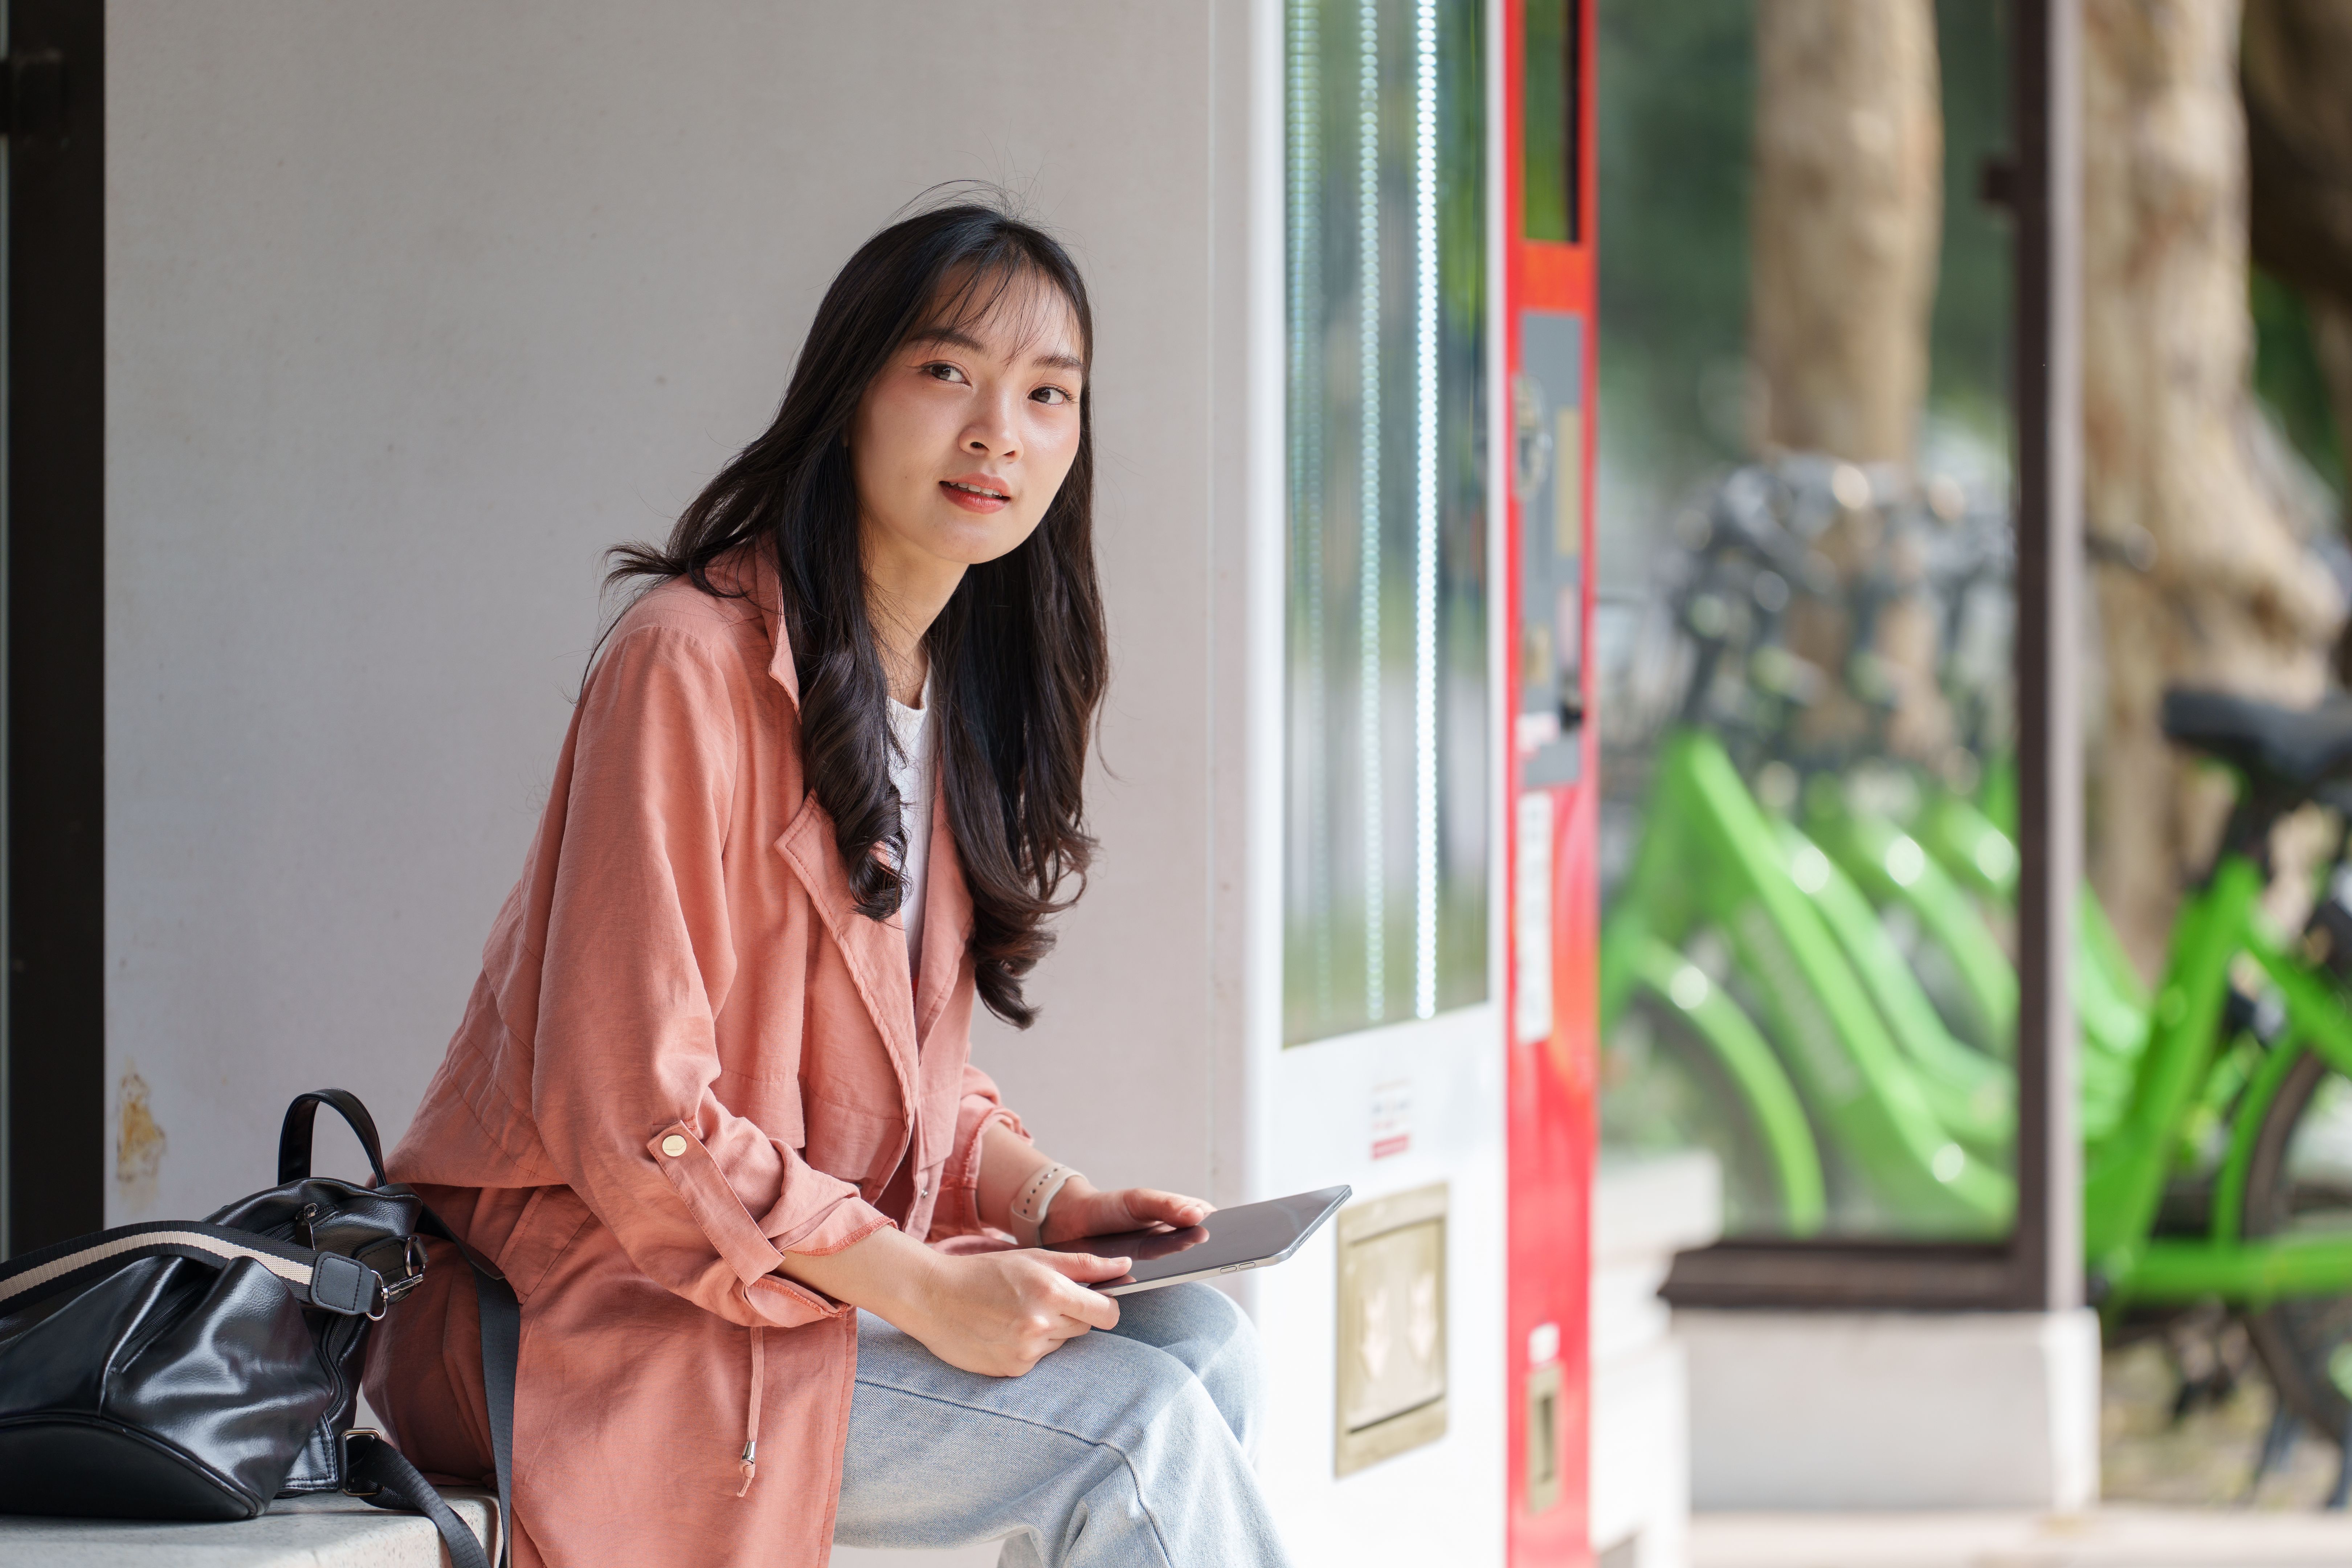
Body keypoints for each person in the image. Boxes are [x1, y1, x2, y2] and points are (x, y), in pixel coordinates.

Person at [364, 201, 1295, 1568]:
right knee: (1137, 1433)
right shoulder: (687, 662)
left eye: (1049, 395)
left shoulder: (940, 697)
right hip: (598, 1317)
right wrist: (921, 1288)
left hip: (783, 1294)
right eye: (948, 373)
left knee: (1201, 1342)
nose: (1000, 432)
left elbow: (888, 1083)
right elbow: (635, 1109)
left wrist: (1048, 1202)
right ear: (849, 391)